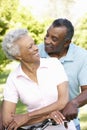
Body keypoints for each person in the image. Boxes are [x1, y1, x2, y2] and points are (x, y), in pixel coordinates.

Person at [2, 28, 76, 130]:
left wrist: (27, 116)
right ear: (18, 56)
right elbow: (7, 121)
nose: (36, 48)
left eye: (34, 43)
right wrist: (46, 116)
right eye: (30, 47)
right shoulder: (13, 78)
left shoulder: (54, 64)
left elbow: (62, 102)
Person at [38, 18, 87, 130]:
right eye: (47, 35)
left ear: (66, 43)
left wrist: (74, 103)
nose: (47, 41)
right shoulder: (36, 51)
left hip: (67, 124)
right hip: (37, 122)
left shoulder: (83, 57)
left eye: (54, 39)